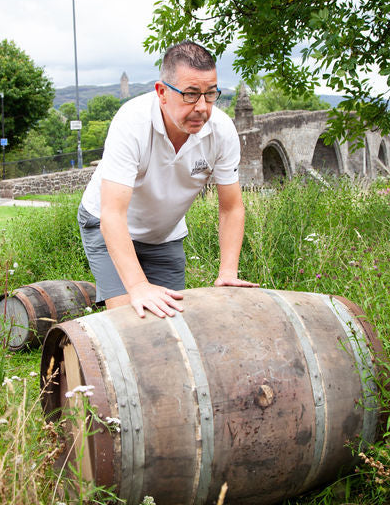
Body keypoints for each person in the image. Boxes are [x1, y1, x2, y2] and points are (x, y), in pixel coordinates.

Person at [78, 41, 257, 318]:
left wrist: (228, 272)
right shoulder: (132, 123)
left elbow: (231, 207)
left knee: (170, 322)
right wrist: (138, 286)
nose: (202, 107)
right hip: (106, 222)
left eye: (211, 95)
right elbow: (112, 213)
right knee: (130, 319)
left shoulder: (222, 131)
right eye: (190, 94)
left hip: (165, 236)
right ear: (162, 92)